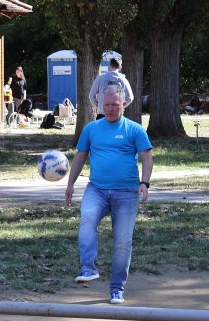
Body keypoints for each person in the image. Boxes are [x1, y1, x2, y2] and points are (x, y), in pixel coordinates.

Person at [63, 86, 153, 304]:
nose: (111, 109)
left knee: (123, 242)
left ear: (124, 104)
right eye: (107, 105)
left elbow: (147, 158)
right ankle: (87, 269)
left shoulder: (135, 130)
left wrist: (144, 183)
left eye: (115, 104)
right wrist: (70, 184)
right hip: (97, 190)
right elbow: (80, 157)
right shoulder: (91, 129)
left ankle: (117, 289)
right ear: (101, 106)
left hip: (127, 193)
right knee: (87, 219)